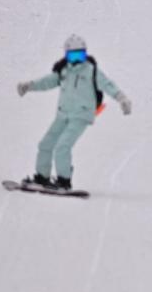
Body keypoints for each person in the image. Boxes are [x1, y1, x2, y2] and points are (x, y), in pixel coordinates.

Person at [17, 34, 132, 191]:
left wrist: (122, 99)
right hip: (63, 114)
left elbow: (108, 85)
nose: (77, 59)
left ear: (85, 54)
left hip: (81, 116)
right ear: (66, 55)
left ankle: (64, 181)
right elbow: (47, 82)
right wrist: (29, 85)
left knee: (63, 146)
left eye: (80, 55)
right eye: (73, 55)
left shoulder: (92, 71)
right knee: (45, 144)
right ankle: (42, 177)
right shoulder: (63, 71)